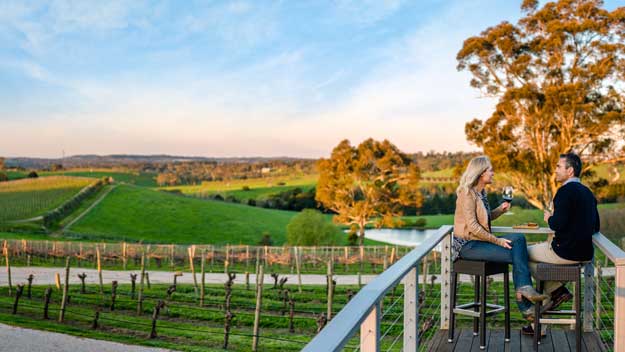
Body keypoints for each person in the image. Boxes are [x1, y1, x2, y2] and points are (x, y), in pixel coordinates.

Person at [453, 155, 548, 319]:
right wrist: (498, 241)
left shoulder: (480, 193)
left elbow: (485, 218)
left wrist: (500, 210)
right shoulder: (467, 193)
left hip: (479, 242)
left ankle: (524, 292)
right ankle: (525, 302)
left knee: (519, 239)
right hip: (467, 246)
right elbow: (473, 226)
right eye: (490, 170)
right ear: (481, 172)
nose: (493, 173)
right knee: (518, 253)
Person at [528, 153, 600, 314]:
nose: (555, 171)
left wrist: (549, 218)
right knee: (540, 266)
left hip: (565, 253)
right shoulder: (588, 193)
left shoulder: (564, 192)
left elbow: (557, 224)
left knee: (520, 253)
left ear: (570, 171)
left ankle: (556, 291)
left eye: (559, 167)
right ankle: (545, 311)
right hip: (585, 254)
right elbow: (596, 226)